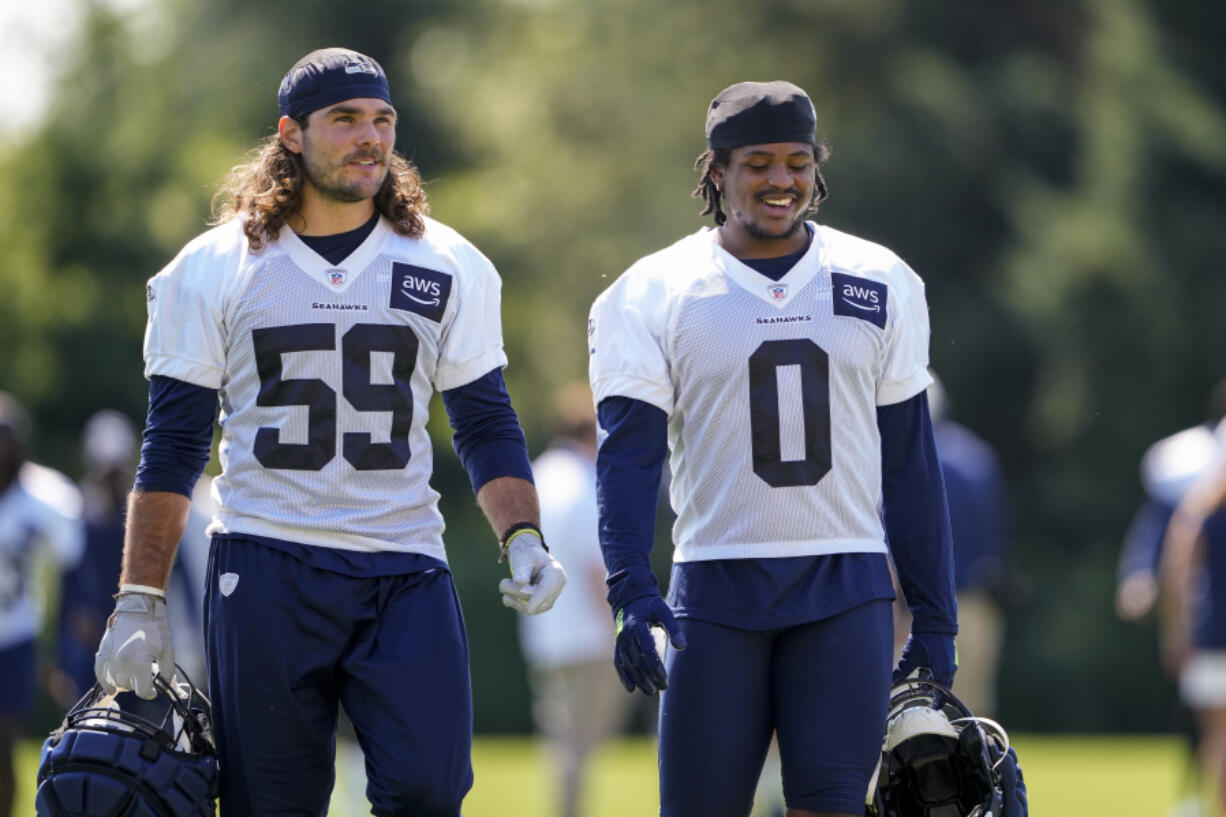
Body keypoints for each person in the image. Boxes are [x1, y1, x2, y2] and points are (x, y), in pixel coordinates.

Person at [92, 47, 566, 817]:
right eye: (344, 119)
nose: (369, 137)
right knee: (273, 803)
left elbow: (484, 419)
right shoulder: (216, 267)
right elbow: (173, 445)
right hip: (267, 560)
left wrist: (524, 535)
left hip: (403, 561)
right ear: (291, 133)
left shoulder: (448, 263)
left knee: (429, 789)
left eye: (382, 119)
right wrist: (139, 597)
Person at [587, 81, 958, 817]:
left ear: (817, 168)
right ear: (717, 170)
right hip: (715, 587)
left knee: (830, 804)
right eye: (758, 162)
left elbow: (912, 461)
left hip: (844, 582)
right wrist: (630, 587)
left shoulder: (881, 279)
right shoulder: (653, 290)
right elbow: (628, 459)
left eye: (798, 160)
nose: (781, 180)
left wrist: (935, 615)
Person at [516, 382, 632, 817]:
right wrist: (621, 629)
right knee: (581, 748)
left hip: (545, 635)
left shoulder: (537, 474)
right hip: (590, 638)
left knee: (563, 744)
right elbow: (593, 568)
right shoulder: (585, 484)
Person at [890, 375, 1011, 717]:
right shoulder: (978, 456)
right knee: (972, 718)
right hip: (976, 601)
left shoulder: (903, 459)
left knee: (910, 716)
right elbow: (999, 535)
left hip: (915, 610)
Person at [0, 392, 84, 817]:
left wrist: (58, 644)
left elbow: (71, 567)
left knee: (4, 743)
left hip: (16, 632)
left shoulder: (45, 497)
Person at [1160, 412, 1226, 817]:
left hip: (1214, 632)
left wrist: (1176, 633)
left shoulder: (1199, 507)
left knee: (1217, 735)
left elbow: (1177, 571)